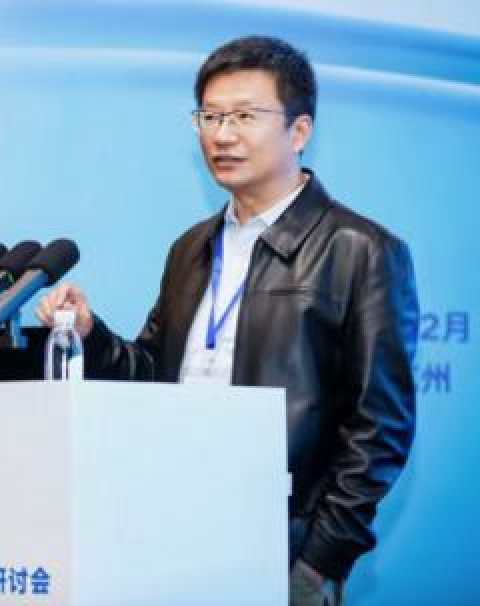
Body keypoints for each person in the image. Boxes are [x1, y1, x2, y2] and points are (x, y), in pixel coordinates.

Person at [37, 35, 419, 605]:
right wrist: (92, 338)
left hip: (284, 548)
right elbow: (154, 375)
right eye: (210, 116)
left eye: (244, 115)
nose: (222, 134)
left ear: (299, 131)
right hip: (172, 530)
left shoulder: (360, 250)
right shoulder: (191, 248)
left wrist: (316, 562)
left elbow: (380, 427)